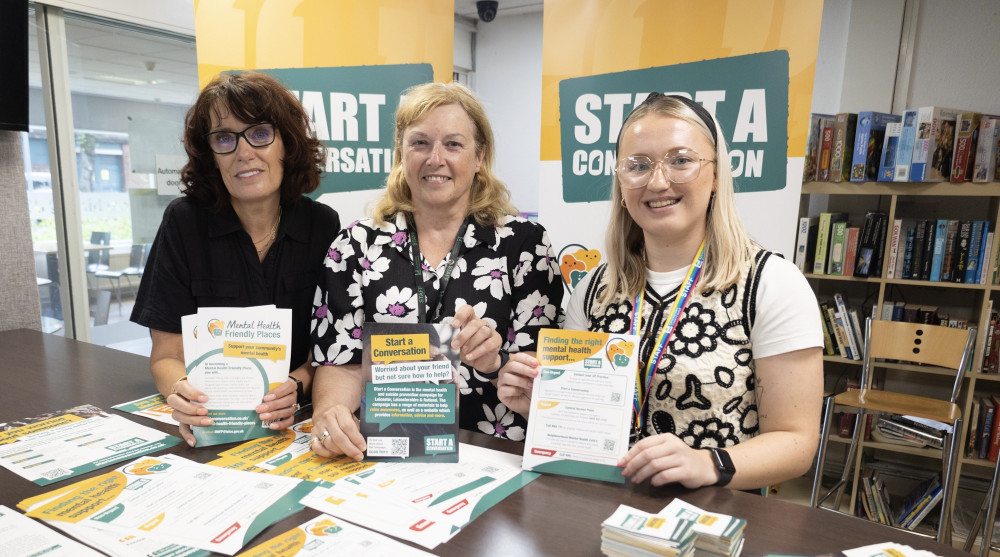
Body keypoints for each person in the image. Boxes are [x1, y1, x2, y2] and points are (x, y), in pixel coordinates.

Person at [498, 93, 823, 491]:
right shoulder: (594, 291)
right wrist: (541, 407)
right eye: (638, 166)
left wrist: (708, 463)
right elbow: (581, 424)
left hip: (709, 526)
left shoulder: (770, 284)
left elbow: (797, 442)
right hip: (599, 510)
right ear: (621, 182)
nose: (657, 181)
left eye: (681, 160)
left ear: (717, 173)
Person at [308, 81, 562, 460]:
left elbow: (547, 373)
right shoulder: (355, 246)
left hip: (494, 454)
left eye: (453, 144)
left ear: (479, 157)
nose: (435, 158)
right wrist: (332, 412)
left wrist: (497, 362)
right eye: (420, 143)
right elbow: (340, 362)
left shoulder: (524, 245)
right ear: (401, 152)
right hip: (387, 449)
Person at [131, 71, 341, 446]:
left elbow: (324, 353)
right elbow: (165, 355)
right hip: (212, 425)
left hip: (293, 427)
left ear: (286, 144)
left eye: (260, 133)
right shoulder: (184, 222)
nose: (244, 153)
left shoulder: (321, 226)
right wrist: (182, 394)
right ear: (210, 155)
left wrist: (296, 384)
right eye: (225, 138)